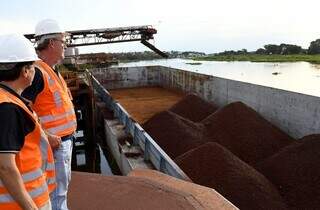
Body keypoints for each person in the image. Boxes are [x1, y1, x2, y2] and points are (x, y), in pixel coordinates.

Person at [22, 19, 77, 210]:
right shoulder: (38, 72)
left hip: (61, 143)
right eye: (63, 42)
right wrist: (46, 135)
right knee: (57, 194)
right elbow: (22, 109)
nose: (65, 46)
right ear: (52, 43)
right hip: (54, 145)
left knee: (60, 192)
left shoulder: (52, 71)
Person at [0, 34, 55, 210]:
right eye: (33, 67)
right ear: (25, 71)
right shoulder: (8, 108)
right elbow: (5, 166)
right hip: (24, 202)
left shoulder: (8, 100)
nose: (34, 71)